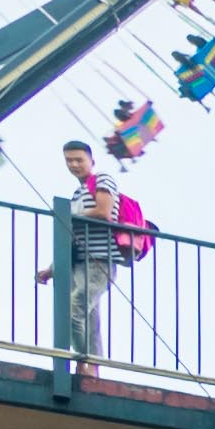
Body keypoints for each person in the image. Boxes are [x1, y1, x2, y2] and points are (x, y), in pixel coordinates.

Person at [47, 143, 135, 387]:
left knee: (74, 309)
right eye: (68, 160)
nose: (73, 164)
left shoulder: (102, 179)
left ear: (91, 161)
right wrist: (51, 269)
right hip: (81, 262)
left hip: (100, 261)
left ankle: (84, 363)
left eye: (78, 159)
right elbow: (73, 238)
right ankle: (92, 367)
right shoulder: (79, 193)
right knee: (90, 318)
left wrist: (69, 216)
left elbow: (104, 212)